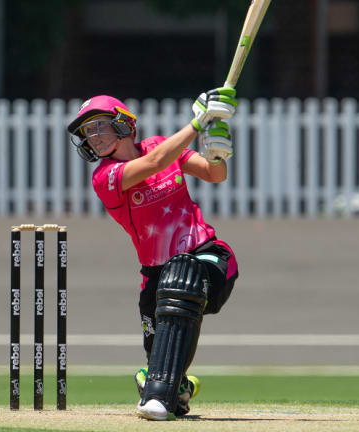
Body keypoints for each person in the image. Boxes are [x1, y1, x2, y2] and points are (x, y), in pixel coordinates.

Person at [66, 88, 240, 421]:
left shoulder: (160, 144)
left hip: (207, 257)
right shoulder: (106, 177)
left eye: (99, 126)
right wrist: (197, 123)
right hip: (157, 278)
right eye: (88, 131)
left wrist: (217, 153)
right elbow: (155, 163)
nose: (93, 136)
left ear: (123, 124)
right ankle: (178, 389)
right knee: (161, 374)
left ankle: (165, 389)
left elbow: (213, 175)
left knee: (183, 274)